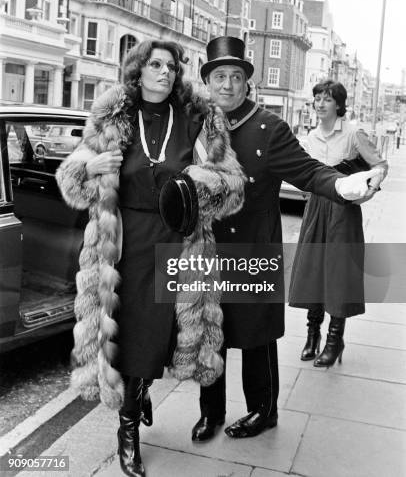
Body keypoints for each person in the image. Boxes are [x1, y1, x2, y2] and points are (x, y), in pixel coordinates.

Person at [56, 39, 245, 477]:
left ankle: (138, 392)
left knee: (162, 332)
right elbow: (73, 177)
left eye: (172, 66)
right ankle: (127, 431)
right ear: (137, 70)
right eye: (155, 64)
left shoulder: (199, 118)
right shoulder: (113, 116)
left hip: (180, 239)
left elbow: (232, 184)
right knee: (132, 332)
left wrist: (201, 183)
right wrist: (92, 167)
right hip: (125, 241)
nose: (165, 72)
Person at [191, 36, 383, 442]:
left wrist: (346, 185)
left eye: (235, 76)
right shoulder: (197, 125)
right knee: (211, 329)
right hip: (207, 249)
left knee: (256, 335)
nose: (227, 85)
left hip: (254, 246)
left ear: (247, 82)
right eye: (219, 76)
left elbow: (311, 172)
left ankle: (264, 411)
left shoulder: (268, 128)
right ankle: (212, 412)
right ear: (208, 81)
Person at [289, 80, 388, 367]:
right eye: (317, 99)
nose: (320, 104)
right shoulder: (310, 137)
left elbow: (379, 166)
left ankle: (334, 340)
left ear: (338, 104)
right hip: (316, 208)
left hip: (343, 212)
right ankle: (312, 336)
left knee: (338, 273)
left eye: (327, 99)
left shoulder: (354, 133)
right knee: (313, 270)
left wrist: (366, 194)